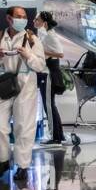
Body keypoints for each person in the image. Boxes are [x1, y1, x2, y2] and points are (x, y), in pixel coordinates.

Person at [0, 8, 47, 185]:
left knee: (24, 128)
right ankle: (3, 160)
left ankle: (22, 166)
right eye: (18, 17)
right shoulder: (0, 37)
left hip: (25, 88)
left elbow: (41, 65)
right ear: (8, 19)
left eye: (24, 17)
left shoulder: (31, 39)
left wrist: (28, 55)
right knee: (0, 127)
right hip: (3, 87)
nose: (22, 20)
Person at [34, 11, 65, 146]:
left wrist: (41, 51)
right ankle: (59, 135)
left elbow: (60, 54)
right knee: (50, 106)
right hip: (46, 73)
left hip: (49, 74)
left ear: (44, 23)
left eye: (37, 19)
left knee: (49, 106)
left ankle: (55, 137)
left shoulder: (50, 36)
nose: (35, 21)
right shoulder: (46, 35)